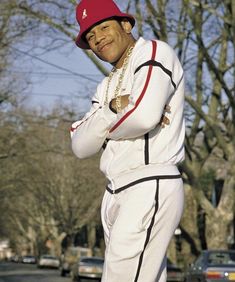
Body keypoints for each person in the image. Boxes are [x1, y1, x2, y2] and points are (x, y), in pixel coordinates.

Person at [70, 0, 185, 281]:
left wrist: (103, 129)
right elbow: (81, 146)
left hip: (148, 180)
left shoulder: (153, 51)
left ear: (125, 24)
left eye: (103, 27)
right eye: (91, 36)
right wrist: (113, 108)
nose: (98, 39)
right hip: (115, 189)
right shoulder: (106, 85)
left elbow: (144, 117)